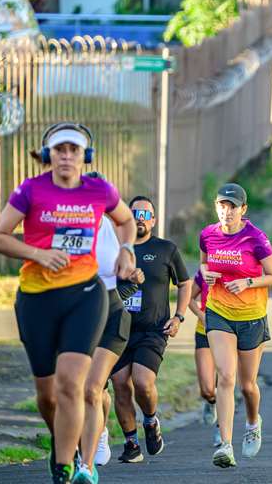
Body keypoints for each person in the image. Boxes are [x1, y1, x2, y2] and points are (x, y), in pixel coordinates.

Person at [0, 122, 137, 484]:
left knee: (74, 384)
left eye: (74, 150)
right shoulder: (30, 190)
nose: (67, 156)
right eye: (60, 150)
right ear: (48, 155)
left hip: (85, 296)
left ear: (84, 156)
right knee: (48, 394)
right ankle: (62, 443)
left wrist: (127, 251)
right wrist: (37, 254)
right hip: (37, 298)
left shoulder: (98, 189)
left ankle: (65, 468)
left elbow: (127, 220)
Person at [200, 183, 272, 468]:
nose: (227, 211)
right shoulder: (208, 234)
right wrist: (207, 274)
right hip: (219, 312)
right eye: (222, 205)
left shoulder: (256, 238)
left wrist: (247, 282)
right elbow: (203, 264)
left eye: (233, 206)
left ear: (243, 210)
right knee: (226, 376)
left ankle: (252, 422)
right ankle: (225, 444)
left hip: (251, 316)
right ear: (216, 207)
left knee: (247, 386)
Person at [111, 197, 192, 464]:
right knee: (121, 384)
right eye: (135, 212)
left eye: (146, 213)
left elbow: (185, 282)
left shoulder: (166, 249)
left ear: (154, 220)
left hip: (153, 330)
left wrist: (179, 316)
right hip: (120, 329)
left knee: (143, 382)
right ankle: (131, 444)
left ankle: (150, 420)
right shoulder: (117, 249)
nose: (140, 217)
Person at [84, 198, 143, 472]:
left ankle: (87, 463)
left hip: (112, 315)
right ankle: (100, 430)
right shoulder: (69, 231)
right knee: (87, 390)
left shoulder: (117, 232)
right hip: (79, 316)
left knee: (94, 387)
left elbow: (126, 276)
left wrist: (131, 274)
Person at [188, 269, 221, 449]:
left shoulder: (239, 266)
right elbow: (190, 298)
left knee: (225, 383)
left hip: (230, 333)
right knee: (208, 389)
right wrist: (203, 316)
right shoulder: (205, 270)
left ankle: (221, 430)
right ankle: (211, 402)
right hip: (205, 331)